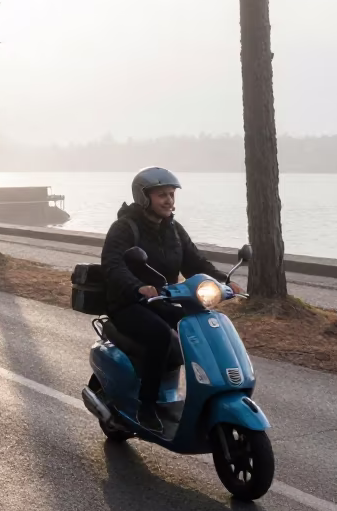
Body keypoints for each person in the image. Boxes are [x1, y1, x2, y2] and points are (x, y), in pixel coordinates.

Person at [101, 167, 238, 434]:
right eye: (162, 195)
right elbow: (113, 265)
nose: (169, 200)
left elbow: (194, 261)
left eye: (171, 194)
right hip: (128, 303)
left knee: (201, 327)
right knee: (160, 336)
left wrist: (223, 280)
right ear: (144, 197)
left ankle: (204, 397)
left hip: (163, 300)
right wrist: (139, 287)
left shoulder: (174, 229)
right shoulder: (124, 228)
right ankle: (147, 406)